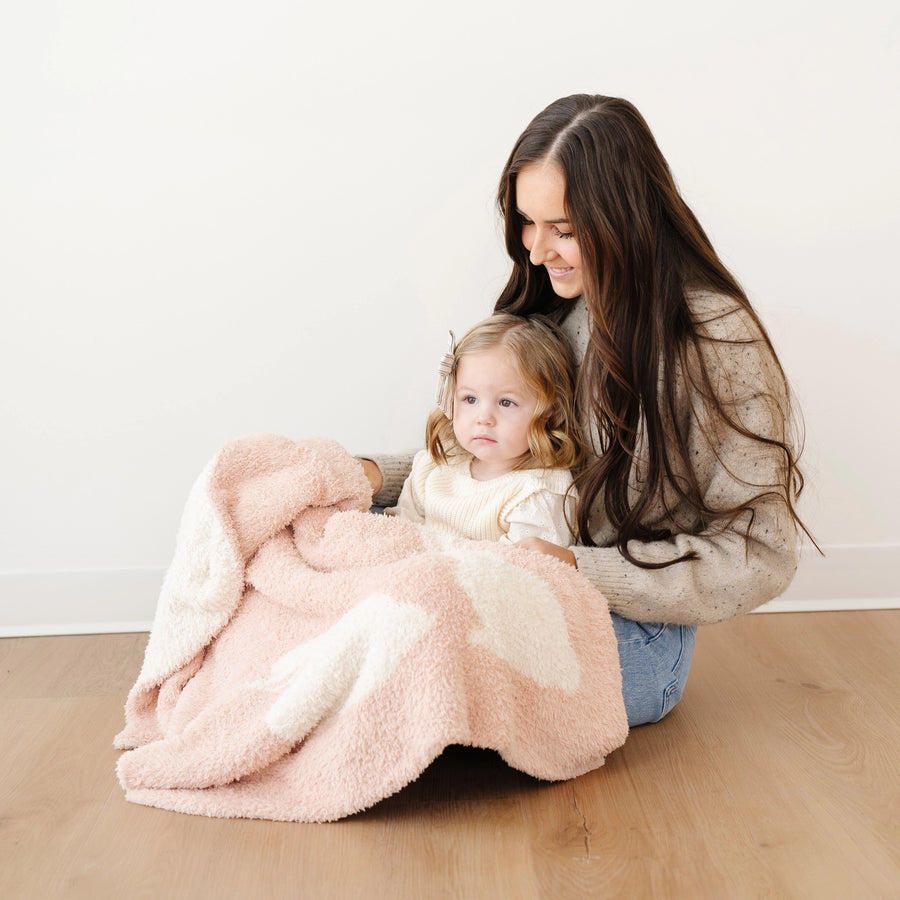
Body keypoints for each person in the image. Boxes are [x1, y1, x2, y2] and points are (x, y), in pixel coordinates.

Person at [360, 94, 812, 727]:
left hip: (626, 626)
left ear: (625, 217)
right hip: (515, 576)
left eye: (564, 230)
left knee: (406, 645)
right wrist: (373, 476)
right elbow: (499, 452)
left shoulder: (713, 341)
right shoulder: (555, 308)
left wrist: (574, 566)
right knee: (312, 519)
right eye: (526, 222)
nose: (538, 250)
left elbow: (761, 555)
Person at [388, 313, 584, 546]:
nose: (484, 419)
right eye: (470, 399)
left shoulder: (538, 492)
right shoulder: (436, 464)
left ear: (550, 409)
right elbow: (400, 533)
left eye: (506, 402)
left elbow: (522, 572)